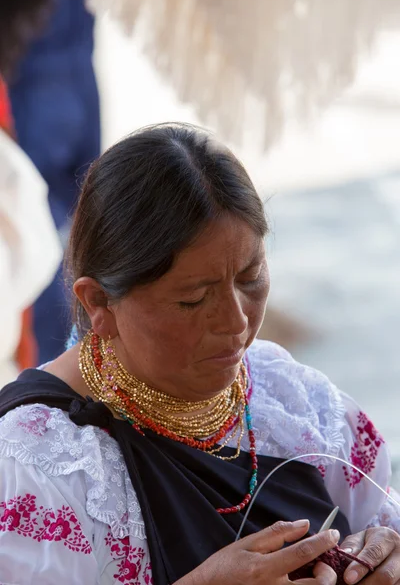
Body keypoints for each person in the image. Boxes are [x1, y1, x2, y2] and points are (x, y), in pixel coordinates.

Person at [0, 123, 399, 585]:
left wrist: (381, 557)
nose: (235, 322)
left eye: (250, 278)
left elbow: (379, 525)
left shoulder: (292, 404)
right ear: (99, 304)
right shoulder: (40, 466)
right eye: (192, 299)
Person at [8, 0, 101, 364]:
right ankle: (54, 381)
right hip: (49, 85)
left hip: (62, 82)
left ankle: (62, 378)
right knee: (43, 238)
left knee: (60, 238)